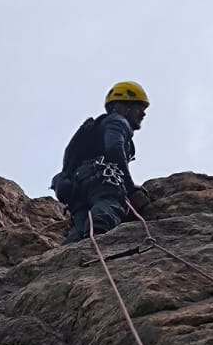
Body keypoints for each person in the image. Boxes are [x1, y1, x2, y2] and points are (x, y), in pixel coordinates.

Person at [52, 82, 150, 244]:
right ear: (124, 106)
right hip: (101, 179)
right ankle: (98, 237)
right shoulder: (117, 121)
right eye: (139, 107)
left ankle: (72, 250)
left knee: (80, 223)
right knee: (110, 203)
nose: (143, 114)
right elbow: (114, 148)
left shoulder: (94, 129)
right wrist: (130, 188)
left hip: (76, 185)